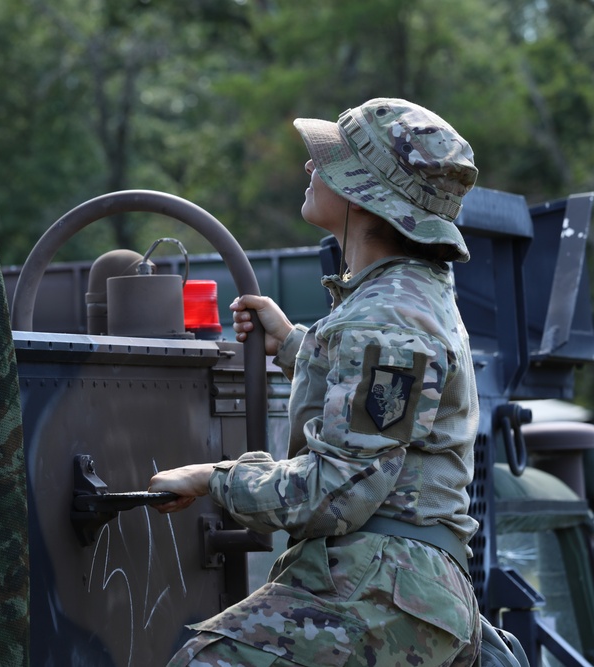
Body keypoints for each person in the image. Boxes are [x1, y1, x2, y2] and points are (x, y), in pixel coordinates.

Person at [147, 98, 482, 667]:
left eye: (328, 160)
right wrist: (303, 347)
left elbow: (335, 491)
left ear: (363, 190)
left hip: (387, 590)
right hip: (408, 590)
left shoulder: (386, 319)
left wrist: (213, 478)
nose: (310, 168)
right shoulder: (405, 300)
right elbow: (388, 406)